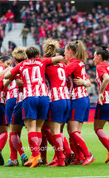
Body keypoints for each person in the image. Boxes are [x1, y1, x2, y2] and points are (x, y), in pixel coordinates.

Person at [5, 46, 63, 168]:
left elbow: (6, 76)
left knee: (31, 128)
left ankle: (35, 156)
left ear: (26, 55)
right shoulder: (42, 61)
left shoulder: (22, 65)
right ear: (37, 55)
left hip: (29, 97)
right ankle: (38, 157)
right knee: (39, 128)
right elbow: (60, 58)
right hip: (43, 97)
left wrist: (15, 72)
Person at [0, 47, 29, 167]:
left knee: (13, 132)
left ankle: (15, 157)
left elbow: (1, 82)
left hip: (12, 99)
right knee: (26, 131)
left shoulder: (11, 70)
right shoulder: (29, 67)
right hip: (26, 99)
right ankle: (36, 157)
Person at [43, 39, 74, 167]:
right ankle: (61, 155)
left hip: (56, 99)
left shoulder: (46, 65)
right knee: (58, 130)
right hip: (66, 99)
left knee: (54, 130)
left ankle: (63, 155)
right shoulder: (62, 65)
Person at [64, 40, 95, 166]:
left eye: (65, 51)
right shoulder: (79, 63)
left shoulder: (73, 64)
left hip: (77, 99)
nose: (64, 54)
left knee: (72, 131)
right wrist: (84, 82)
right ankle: (78, 156)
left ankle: (88, 155)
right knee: (74, 132)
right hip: (82, 98)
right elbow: (88, 82)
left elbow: (61, 75)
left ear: (70, 51)